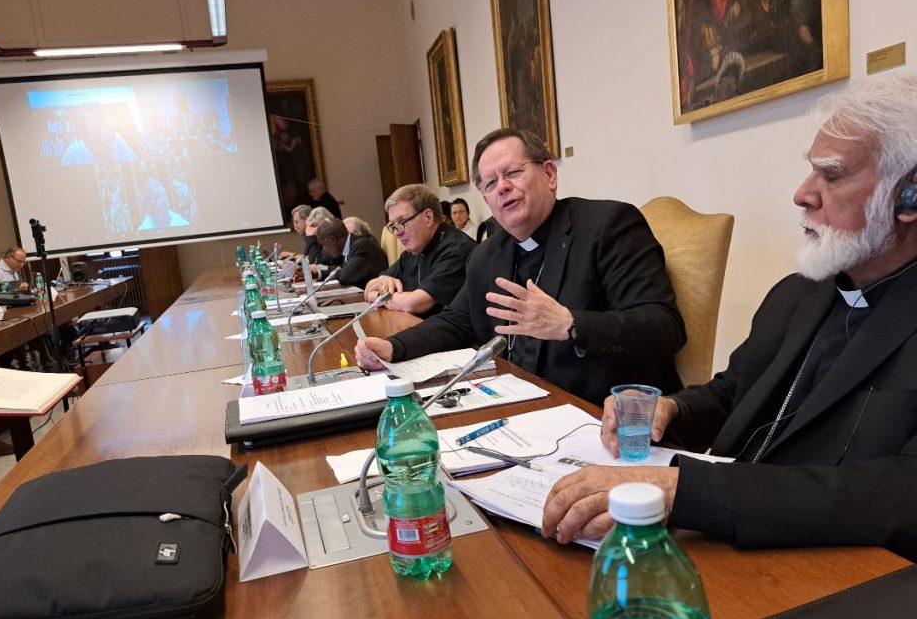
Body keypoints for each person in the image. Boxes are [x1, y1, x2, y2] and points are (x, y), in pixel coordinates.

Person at [542, 73, 917, 561]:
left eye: (832, 174)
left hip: (835, 568)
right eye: (811, 171)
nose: (802, 193)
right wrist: (672, 410)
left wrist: (684, 492)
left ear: (909, 196)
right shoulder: (797, 293)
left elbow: (901, 492)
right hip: (723, 543)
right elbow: (734, 392)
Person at [356, 129, 684, 404]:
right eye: (489, 183)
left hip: (598, 412)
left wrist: (571, 324)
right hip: (515, 402)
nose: (502, 186)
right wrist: (394, 347)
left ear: (549, 174)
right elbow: (456, 321)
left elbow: (664, 327)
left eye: (513, 172)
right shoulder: (487, 254)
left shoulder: (607, 226)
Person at [362, 184, 475, 318]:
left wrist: (382, 297)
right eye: (393, 225)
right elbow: (369, 290)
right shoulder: (412, 251)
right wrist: (382, 287)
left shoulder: (457, 249)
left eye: (402, 221)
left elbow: (414, 303)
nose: (397, 233)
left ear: (428, 217)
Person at [316, 218, 388, 289]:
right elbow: (344, 269)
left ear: (332, 239)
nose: (324, 249)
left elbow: (345, 277)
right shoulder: (351, 245)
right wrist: (318, 273)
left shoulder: (361, 245)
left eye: (323, 245)